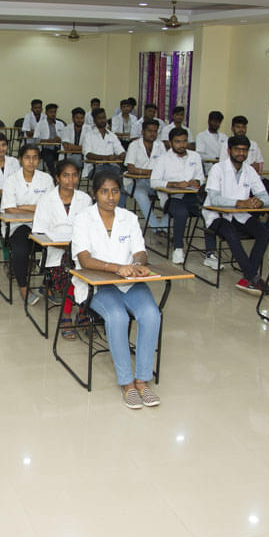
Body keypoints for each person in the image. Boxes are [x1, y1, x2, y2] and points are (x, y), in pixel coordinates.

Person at [71, 172, 162, 409]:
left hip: (129, 282)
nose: (110, 197)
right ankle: (127, 383)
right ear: (94, 194)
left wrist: (138, 264)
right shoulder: (83, 219)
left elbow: (140, 251)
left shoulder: (129, 218)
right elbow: (84, 259)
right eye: (104, 191)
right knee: (118, 317)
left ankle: (142, 380)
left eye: (115, 191)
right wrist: (117, 268)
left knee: (152, 314)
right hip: (98, 285)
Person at [203, 135, 269, 295]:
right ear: (229, 151)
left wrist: (260, 202)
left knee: (264, 232)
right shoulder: (218, 169)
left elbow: (266, 196)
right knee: (230, 232)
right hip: (217, 215)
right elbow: (215, 199)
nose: (241, 153)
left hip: (240, 215)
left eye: (244, 150)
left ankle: (248, 277)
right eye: (237, 149)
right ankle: (253, 277)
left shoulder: (250, 171)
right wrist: (240, 203)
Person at [31, 160, 92, 339]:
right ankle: (66, 315)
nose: (70, 180)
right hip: (55, 251)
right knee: (70, 269)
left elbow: (91, 229)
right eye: (66, 175)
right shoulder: (46, 200)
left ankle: (83, 312)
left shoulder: (85, 199)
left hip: (80, 250)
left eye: (74, 175)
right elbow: (39, 232)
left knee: (87, 267)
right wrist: (60, 244)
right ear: (57, 178)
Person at [151, 128, 219, 267]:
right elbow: (154, 182)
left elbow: (201, 178)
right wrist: (174, 184)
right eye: (177, 142)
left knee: (209, 212)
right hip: (172, 197)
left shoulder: (195, 156)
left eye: (184, 141)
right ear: (170, 142)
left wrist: (197, 182)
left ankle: (210, 253)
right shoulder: (163, 159)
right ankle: (178, 248)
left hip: (192, 196)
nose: (181, 145)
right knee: (181, 213)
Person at [0, 144, 54, 304]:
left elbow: (51, 206)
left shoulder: (46, 179)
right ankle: (23, 288)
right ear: (20, 159)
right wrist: (37, 208)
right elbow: (10, 209)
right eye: (27, 157)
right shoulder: (11, 181)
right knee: (21, 251)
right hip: (18, 226)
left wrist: (22, 207)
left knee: (57, 247)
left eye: (35, 157)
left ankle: (47, 284)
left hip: (43, 225)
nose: (31, 161)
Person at [125, 119, 167, 231]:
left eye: (155, 131)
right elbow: (131, 169)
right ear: (142, 131)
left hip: (156, 182)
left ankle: (164, 226)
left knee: (173, 198)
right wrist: (151, 172)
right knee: (142, 195)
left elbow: (165, 168)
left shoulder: (160, 145)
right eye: (149, 131)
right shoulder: (134, 145)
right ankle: (156, 227)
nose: (152, 134)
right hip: (136, 182)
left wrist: (151, 173)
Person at [81, 108, 125, 180]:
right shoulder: (88, 135)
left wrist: (119, 156)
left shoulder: (112, 135)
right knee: (104, 175)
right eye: (99, 118)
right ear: (94, 121)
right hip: (94, 168)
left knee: (118, 174)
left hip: (112, 166)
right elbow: (88, 155)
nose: (102, 120)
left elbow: (121, 152)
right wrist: (106, 158)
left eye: (104, 117)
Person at [34, 103, 66, 173]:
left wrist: (60, 139)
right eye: (51, 112)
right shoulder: (40, 124)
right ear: (46, 113)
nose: (53, 114)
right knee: (49, 158)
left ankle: (59, 174)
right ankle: (54, 175)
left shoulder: (60, 124)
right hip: (45, 149)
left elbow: (66, 138)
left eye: (54, 112)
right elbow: (36, 139)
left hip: (58, 148)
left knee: (65, 159)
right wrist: (50, 141)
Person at [59, 107, 86, 171]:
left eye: (81, 118)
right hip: (68, 156)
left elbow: (91, 147)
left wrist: (74, 147)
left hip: (84, 156)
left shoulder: (88, 129)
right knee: (76, 160)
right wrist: (84, 147)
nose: (79, 120)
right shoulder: (66, 129)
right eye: (77, 118)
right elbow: (67, 147)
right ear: (73, 119)